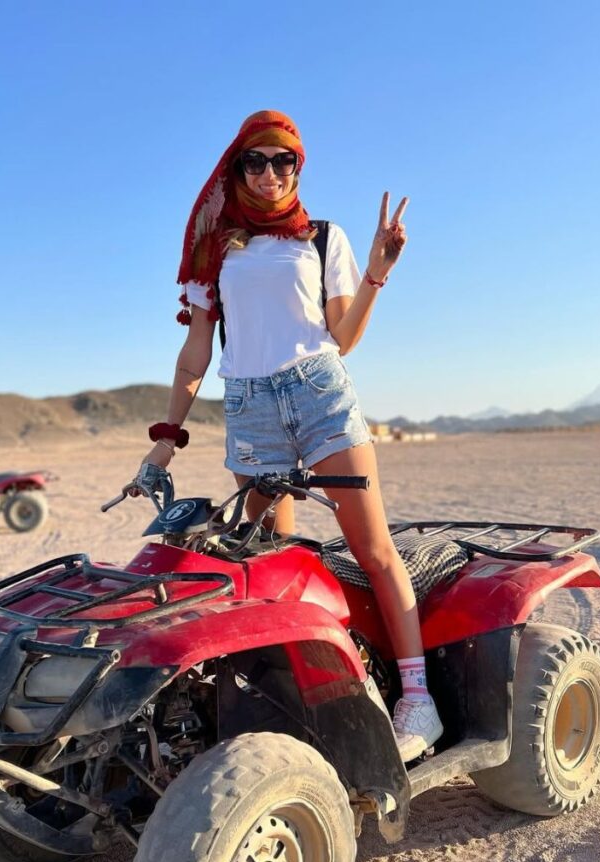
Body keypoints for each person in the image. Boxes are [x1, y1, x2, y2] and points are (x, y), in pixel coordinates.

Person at [133, 109, 443, 761]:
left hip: (319, 393)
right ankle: (301, 698)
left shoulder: (322, 238)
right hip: (249, 408)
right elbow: (195, 354)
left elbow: (343, 337)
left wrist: (377, 272)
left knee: (371, 546)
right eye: (256, 160)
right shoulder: (217, 249)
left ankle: (418, 699)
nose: (269, 173)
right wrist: (166, 438)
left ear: (298, 168)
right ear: (236, 168)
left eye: (283, 161)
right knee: (270, 556)